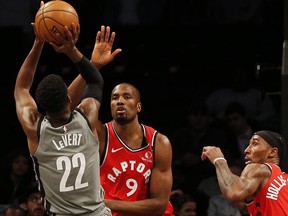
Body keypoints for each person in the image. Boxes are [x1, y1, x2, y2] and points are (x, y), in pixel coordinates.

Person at [14, 2, 114, 215]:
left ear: (40, 107)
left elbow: (22, 87)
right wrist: (73, 51)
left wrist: (39, 41)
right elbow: (95, 82)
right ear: (71, 100)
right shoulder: (87, 117)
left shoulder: (36, 129)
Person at [201, 130, 288, 216]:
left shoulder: (260, 168)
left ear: (272, 152)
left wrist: (219, 160)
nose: (246, 150)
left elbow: (234, 193)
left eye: (255, 144)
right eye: (248, 144)